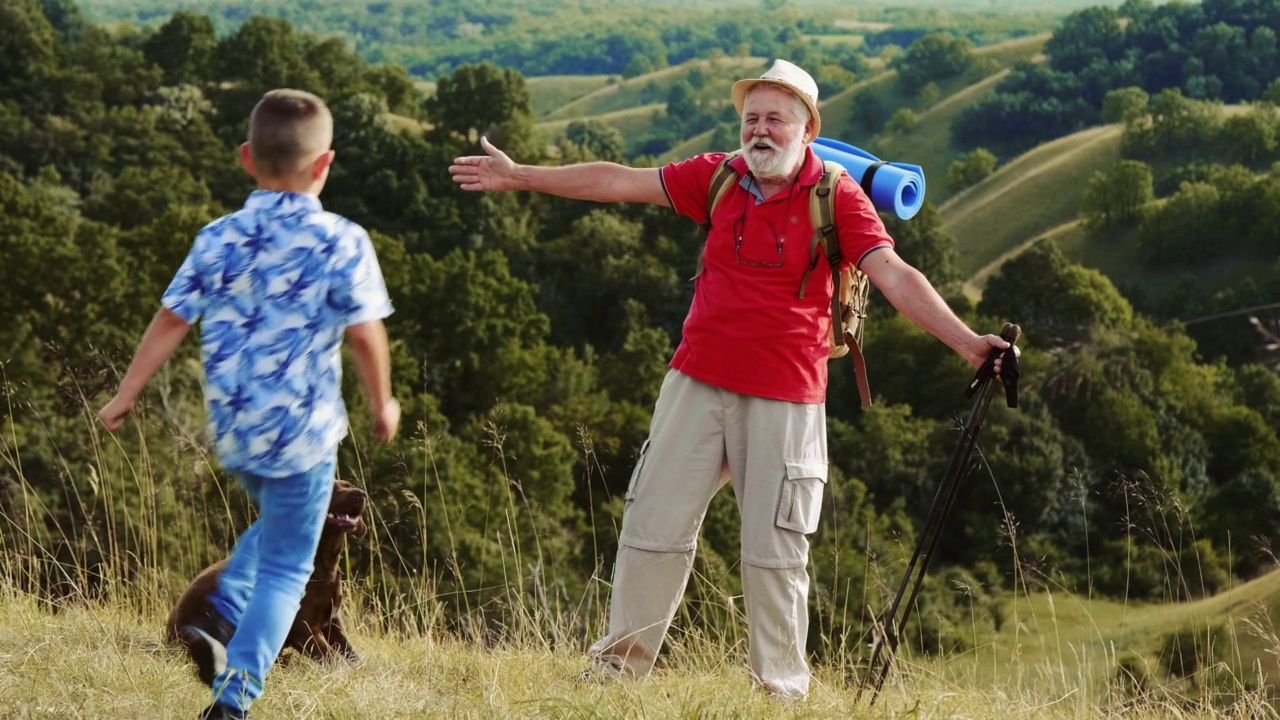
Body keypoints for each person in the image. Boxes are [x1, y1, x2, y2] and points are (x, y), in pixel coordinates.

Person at [448, 58, 1013, 699]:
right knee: (650, 530)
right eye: (752, 118)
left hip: (786, 397)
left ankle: (779, 694)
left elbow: (894, 274)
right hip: (696, 381)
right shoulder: (718, 176)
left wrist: (967, 343)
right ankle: (613, 679)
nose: (761, 130)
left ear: (807, 127)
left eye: (776, 118)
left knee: (775, 554)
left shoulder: (837, 194)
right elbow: (617, 182)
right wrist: (520, 176)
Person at [98, 88, 400, 719]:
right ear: (325, 165)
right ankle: (234, 697)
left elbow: (171, 319)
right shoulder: (341, 240)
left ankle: (219, 612)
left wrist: (127, 392)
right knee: (290, 569)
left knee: (274, 533)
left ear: (246, 159)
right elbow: (366, 334)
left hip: (237, 434)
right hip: (305, 435)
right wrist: (383, 403)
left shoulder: (218, 237)